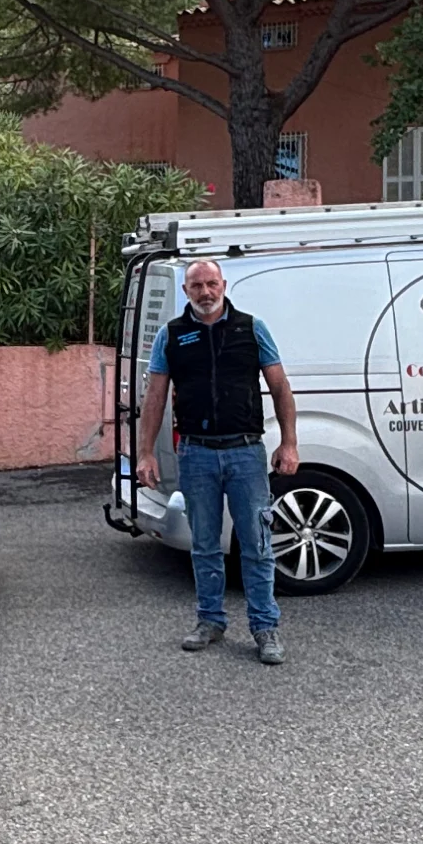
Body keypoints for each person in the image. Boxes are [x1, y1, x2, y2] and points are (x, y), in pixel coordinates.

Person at [136, 259, 299, 665]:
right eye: (196, 286)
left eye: (211, 284)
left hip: (245, 451)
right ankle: (210, 619)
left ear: (223, 285)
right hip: (196, 454)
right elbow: (155, 397)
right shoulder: (171, 335)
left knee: (257, 545)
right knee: (204, 544)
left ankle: (265, 627)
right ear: (186, 291)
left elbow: (279, 387)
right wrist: (144, 453)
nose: (205, 292)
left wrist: (289, 444)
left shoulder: (251, 328)